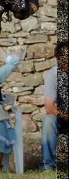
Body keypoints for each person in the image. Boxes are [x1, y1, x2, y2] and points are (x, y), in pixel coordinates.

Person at [39, 40, 66, 170]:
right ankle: (48, 166)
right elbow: (50, 107)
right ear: (58, 59)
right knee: (49, 121)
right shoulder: (53, 74)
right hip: (63, 116)